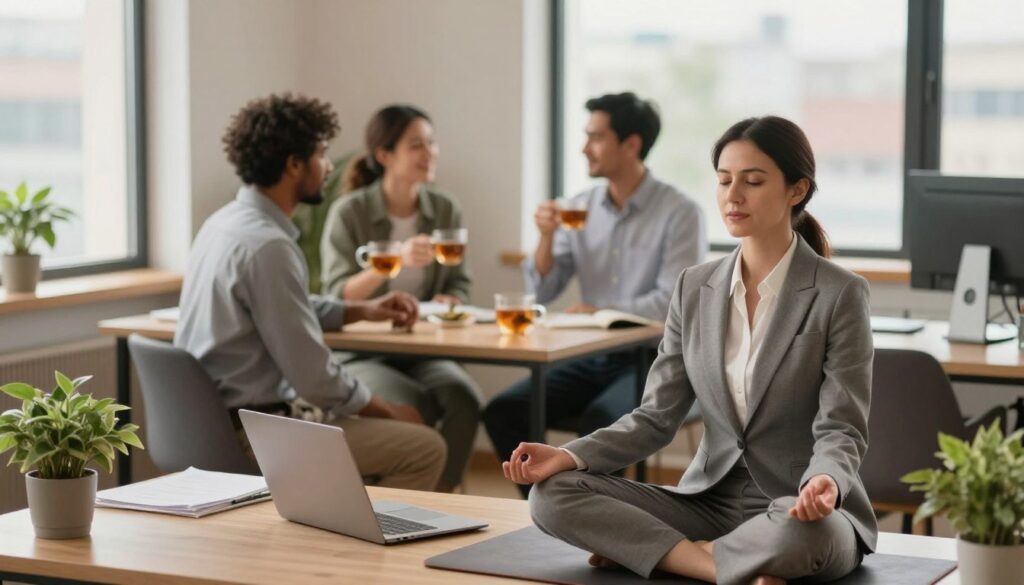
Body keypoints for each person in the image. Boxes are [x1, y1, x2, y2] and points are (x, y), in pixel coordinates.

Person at [504, 116, 877, 585]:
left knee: (808, 538)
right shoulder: (694, 287)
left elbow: (841, 426)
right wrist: (570, 456)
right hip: (707, 501)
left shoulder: (840, 292)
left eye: (753, 181)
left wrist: (825, 482)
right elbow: (655, 417)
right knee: (551, 495)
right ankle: (707, 562)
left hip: (797, 503)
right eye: (724, 181)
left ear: (796, 190)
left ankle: (653, 551)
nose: (732, 196)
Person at [176, 93, 446, 491]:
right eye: (322, 154)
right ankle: (371, 549)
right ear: (294, 164)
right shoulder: (269, 246)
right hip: (257, 435)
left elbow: (281, 306)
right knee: (425, 447)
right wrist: (388, 411)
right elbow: (315, 378)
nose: (328, 166)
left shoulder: (224, 224)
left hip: (207, 427)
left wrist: (360, 310)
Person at [482, 92, 706, 495]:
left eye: (596, 137)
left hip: (656, 359)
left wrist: (598, 310)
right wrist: (546, 237)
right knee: (505, 410)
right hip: (592, 355)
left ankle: (596, 522)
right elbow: (542, 289)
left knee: (602, 421)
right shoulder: (580, 208)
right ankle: (549, 510)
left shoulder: (680, 213)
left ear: (631, 144)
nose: (585, 147)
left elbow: (673, 301)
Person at [320, 105, 482, 492]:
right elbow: (336, 294)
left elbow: (461, 281)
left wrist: (451, 299)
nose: (430, 153)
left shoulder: (444, 208)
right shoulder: (350, 212)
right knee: (415, 404)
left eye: (432, 143)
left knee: (465, 399)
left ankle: (443, 497)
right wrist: (392, 263)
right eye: (416, 145)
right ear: (384, 155)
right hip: (362, 351)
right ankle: (406, 501)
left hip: (423, 347)